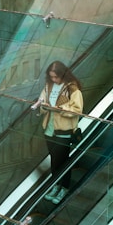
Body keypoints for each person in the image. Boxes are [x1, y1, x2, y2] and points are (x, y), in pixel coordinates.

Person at [38, 61, 83, 204]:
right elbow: (41, 103)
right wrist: (43, 107)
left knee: (62, 161)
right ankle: (56, 185)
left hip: (63, 130)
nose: (53, 80)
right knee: (54, 160)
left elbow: (77, 110)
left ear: (63, 74)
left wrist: (60, 109)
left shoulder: (72, 89)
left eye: (56, 77)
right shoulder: (48, 86)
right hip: (49, 129)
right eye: (51, 77)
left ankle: (64, 187)